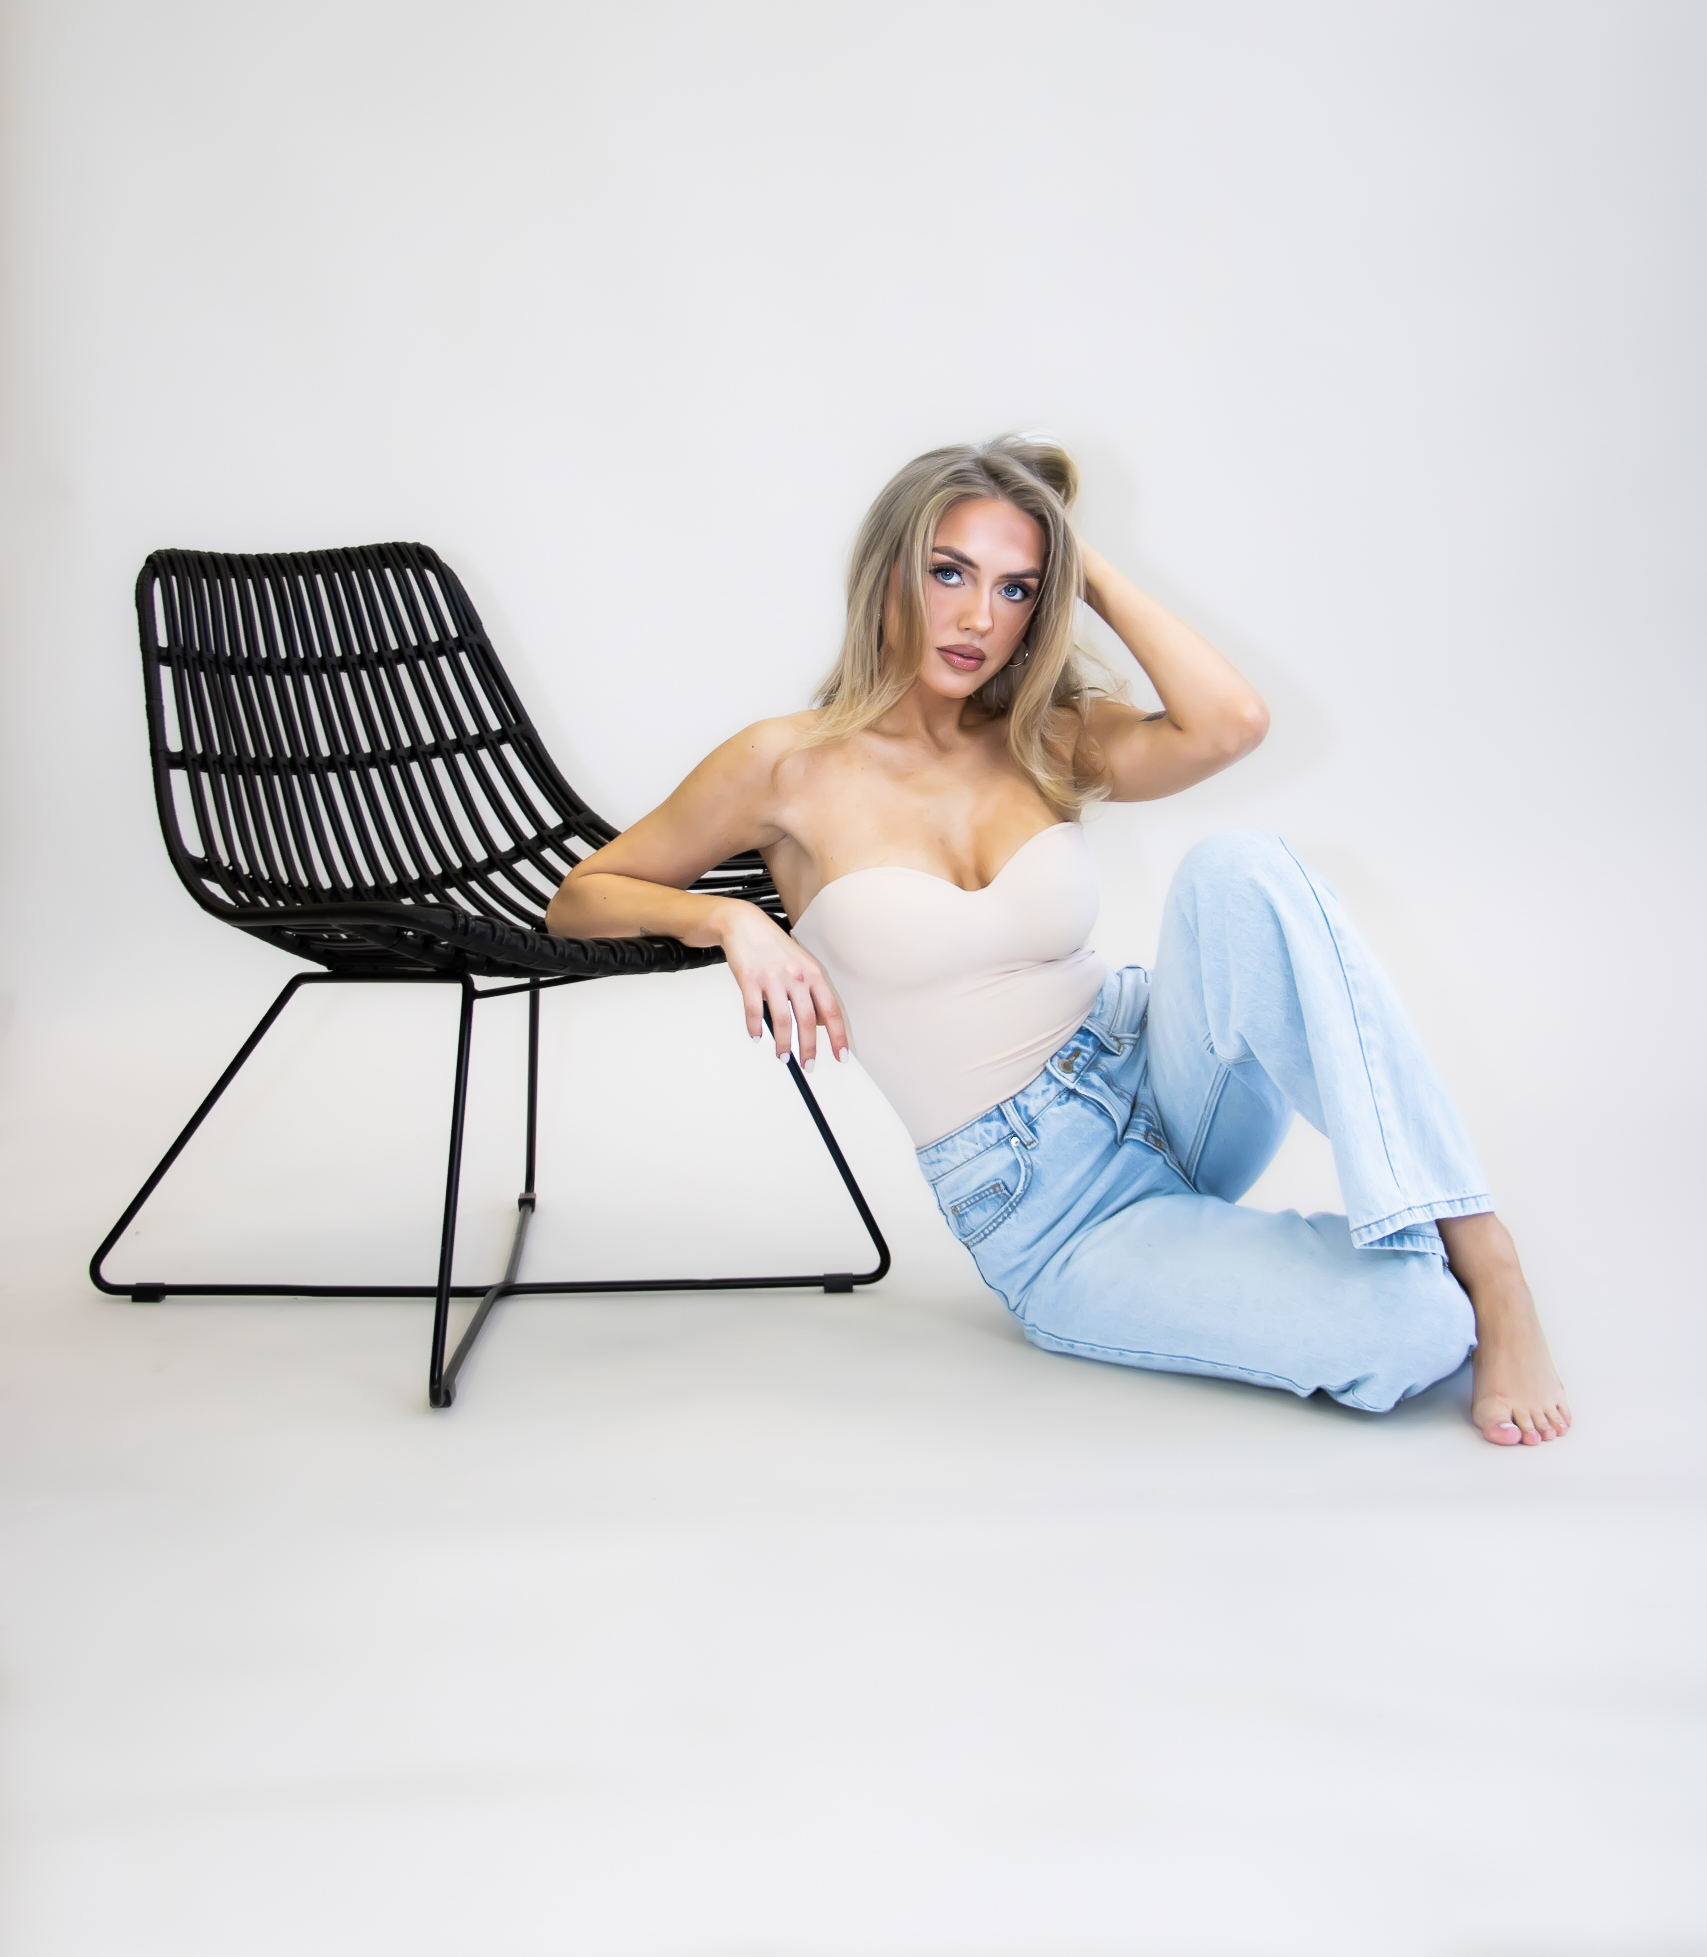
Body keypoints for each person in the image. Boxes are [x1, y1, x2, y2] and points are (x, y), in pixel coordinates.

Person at [546, 436, 1569, 1446]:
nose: (978, 618)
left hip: (1161, 1070)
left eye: (1018, 589)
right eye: (949, 572)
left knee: (1243, 868)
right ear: (887, 572)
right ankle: (1375, 1265)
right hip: (1052, 1207)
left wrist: (1083, 565)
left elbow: (1231, 724)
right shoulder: (782, 764)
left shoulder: (1042, 734)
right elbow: (580, 899)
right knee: (1414, 1333)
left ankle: (1485, 1254)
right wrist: (730, 919)